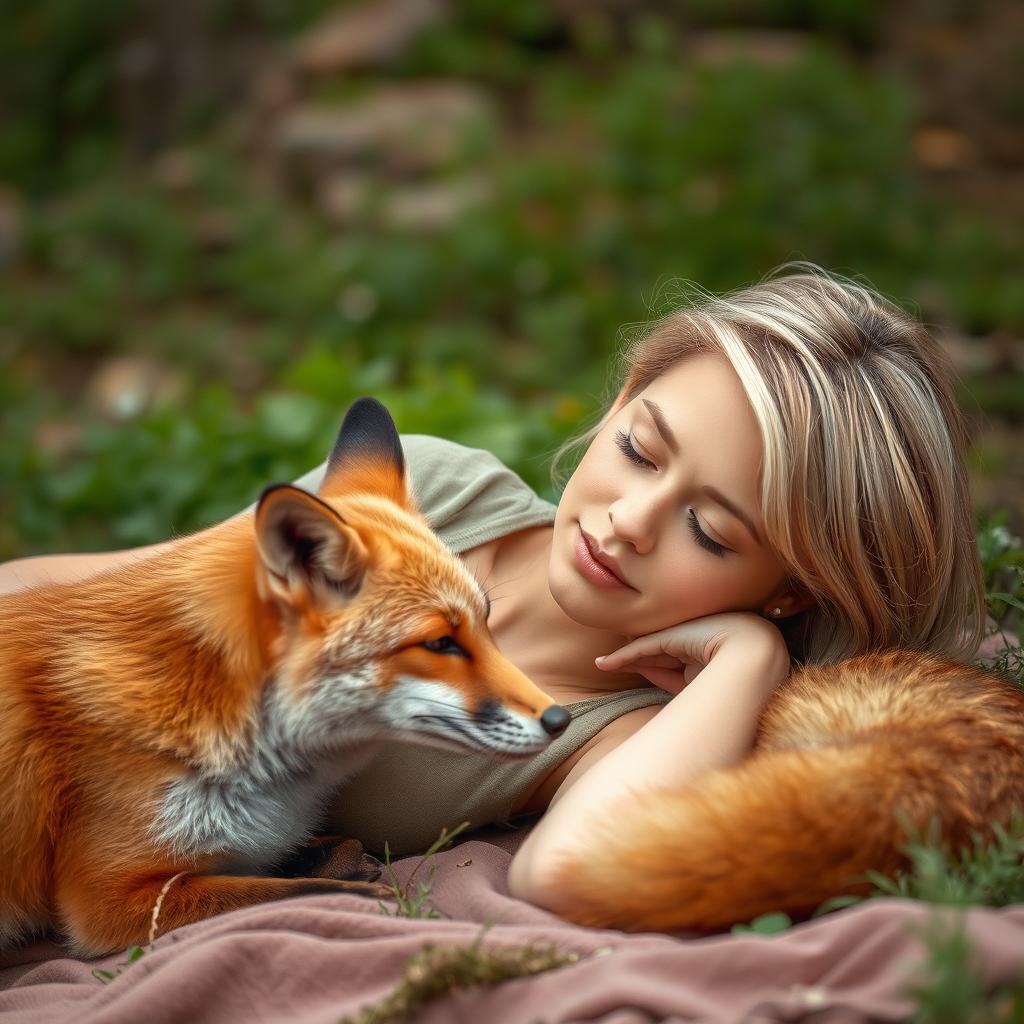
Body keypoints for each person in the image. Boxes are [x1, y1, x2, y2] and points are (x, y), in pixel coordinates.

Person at [0, 263, 987, 909]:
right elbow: (87, 592)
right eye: (640, 447)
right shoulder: (418, 491)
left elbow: (568, 871)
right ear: (613, 406)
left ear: (791, 589)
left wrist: (746, 656)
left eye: (708, 529)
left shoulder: (627, 727)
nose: (625, 520)